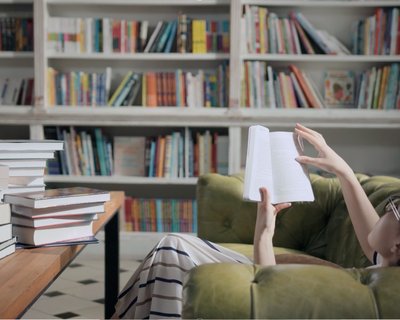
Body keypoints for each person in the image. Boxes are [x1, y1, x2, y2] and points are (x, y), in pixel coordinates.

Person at [113, 123, 400, 319]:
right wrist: (343, 170)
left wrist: (263, 233)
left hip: (268, 284)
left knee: (171, 252)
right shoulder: (383, 260)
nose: (388, 207)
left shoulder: (362, 288)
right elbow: (372, 232)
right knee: (170, 246)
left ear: (397, 245)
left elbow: (270, 295)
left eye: (395, 211)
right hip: (274, 276)